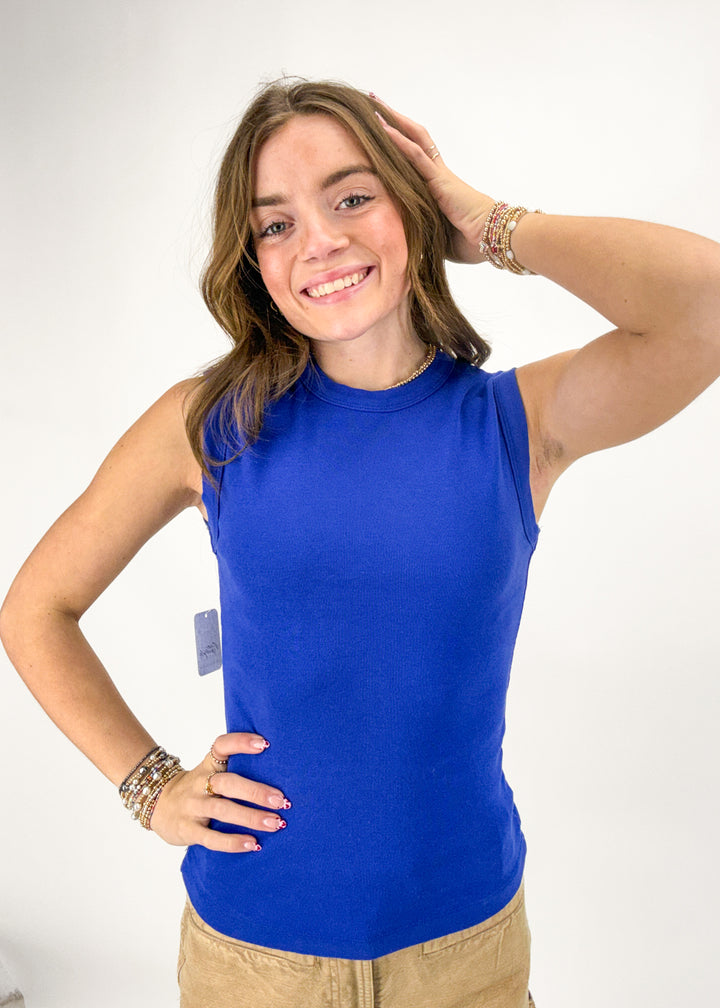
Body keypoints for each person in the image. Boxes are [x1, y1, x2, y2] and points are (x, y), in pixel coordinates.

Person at [1, 77, 719, 1008]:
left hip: (466, 952)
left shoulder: (517, 422)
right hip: (255, 960)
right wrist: (151, 786)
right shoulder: (211, 425)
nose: (321, 241)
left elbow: (703, 306)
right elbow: (35, 610)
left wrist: (491, 222)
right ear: (252, 259)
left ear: (412, 208)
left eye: (352, 197)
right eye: (276, 224)